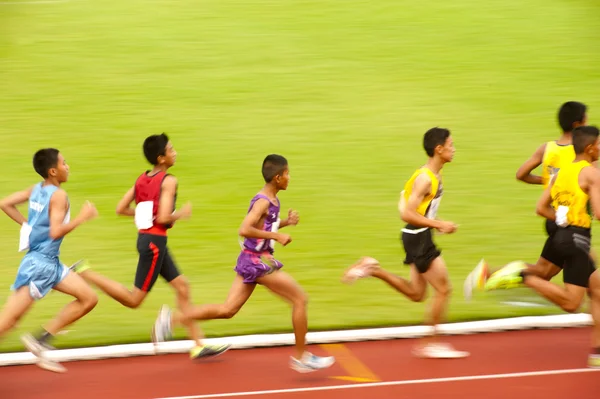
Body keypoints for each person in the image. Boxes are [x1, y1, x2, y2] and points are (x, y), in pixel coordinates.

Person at [169, 154, 336, 372]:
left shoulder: (272, 199)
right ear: (277, 177)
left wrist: (285, 223)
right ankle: (301, 357)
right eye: (287, 174)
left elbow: (263, 227)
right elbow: (245, 229)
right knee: (300, 299)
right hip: (258, 263)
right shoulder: (263, 201)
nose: (289, 177)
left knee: (228, 310)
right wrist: (277, 237)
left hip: (252, 260)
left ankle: (174, 319)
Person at [71, 133, 229, 359]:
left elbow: (121, 208)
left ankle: (197, 345)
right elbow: (164, 217)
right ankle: (85, 272)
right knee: (134, 299)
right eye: (171, 149)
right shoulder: (169, 180)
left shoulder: (141, 179)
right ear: (161, 158)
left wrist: (147, 214)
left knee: (183, 287)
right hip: (154, 244)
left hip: (151, 241)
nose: (175, 152)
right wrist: (180, 214)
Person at [342, 127, 468, 359]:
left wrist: (437, 223)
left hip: (416, 234)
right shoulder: (425, 179)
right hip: (419, 236)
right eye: (451, 145)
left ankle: (373, 269)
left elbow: (408, 206)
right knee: (443, 290)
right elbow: (407, 213)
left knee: (417, 294)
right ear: (438, 149)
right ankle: (431, 343)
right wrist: (438, 225)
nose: (454, 149)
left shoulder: (428, 174)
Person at [483, 126, 600, 368]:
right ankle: (524, 277)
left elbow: (540, 208)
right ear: (589, 148)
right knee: (571, 303)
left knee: (596, 289)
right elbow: (599, 213)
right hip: (577, 239)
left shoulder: (559, 172)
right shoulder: (591, 174)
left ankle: (597, 353)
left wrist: (562, 220)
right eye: (599, 144)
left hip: (560, 235)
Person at [464, 101, 589, 298]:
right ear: (577, 125)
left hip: (551, 218)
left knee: (544, 272)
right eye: (586, 120)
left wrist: (548, 183)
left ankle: (489, 273)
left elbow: (521, 174)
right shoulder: (580, 153)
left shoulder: (546, 148)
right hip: (569, 220)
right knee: (587, 268)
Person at [0, 148, 99, 372]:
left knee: (89, 298)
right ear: (53, 171)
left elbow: (5, 203)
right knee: (7, 322)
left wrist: (29, 226)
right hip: (38, 266)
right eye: (64, 163)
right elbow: (55, 231)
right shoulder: (59, 195)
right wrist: (82, 218)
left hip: (51, 264)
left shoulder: (36, 189)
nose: (68, 167)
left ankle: (41, 339)